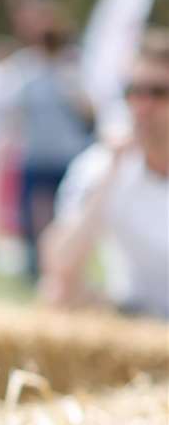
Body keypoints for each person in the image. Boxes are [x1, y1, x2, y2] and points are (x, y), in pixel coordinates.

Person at [40, 29, 169, 321]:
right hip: (137, 317)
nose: (142, 106)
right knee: (58, 293)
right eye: (133, 91)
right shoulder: (102, 165)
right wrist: (111, 172)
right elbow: (59, 265)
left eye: (159, 93)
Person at [6, 0, 93, 281]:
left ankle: (64, 272)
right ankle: (36, 270)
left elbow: (89, 111)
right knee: (35, 220)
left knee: (65, 219)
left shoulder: (75, 64)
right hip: (36, 154)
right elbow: (16, 113)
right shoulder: (24, 66)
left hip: (67, 155)